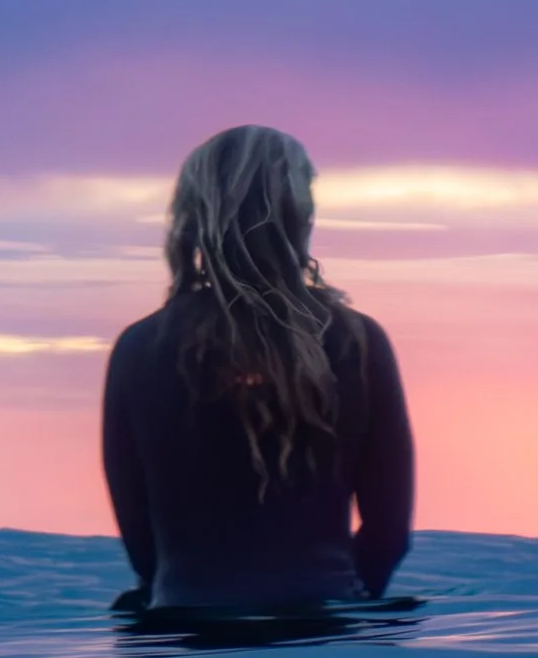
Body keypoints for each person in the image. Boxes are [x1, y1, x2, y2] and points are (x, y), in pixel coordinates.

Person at [102, 126, 414, 611]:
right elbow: (389, 532)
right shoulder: (356, 342)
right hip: (323, 636)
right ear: (300, 213)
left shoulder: (140, 347)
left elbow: (143, 546)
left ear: (192, 216)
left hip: (183, 638)